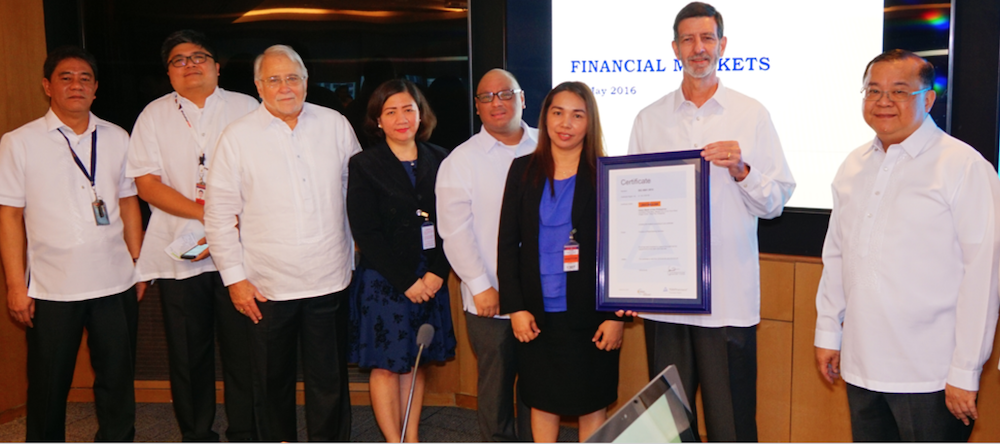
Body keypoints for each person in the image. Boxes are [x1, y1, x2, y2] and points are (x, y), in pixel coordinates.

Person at [626, 2, 796, 441]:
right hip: (665, 299)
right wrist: (628, 280)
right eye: (688, 39)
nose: (697, 48)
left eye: (707, 38)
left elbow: (775, 202)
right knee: (668, 424)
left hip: (727, 297)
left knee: (732, 424)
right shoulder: (649, 118)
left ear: (722, 44)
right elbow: (631, 208)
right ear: (674, 48)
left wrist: (743, 170)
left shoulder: (751, 114)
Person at [814, 49, 1000, 442]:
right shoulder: (852, 164)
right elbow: (837, 256)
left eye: (899, 91)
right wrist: (829, 332)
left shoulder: (963, 166)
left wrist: (966, 371)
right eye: (873, 90)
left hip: (930, 375)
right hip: (861, 365)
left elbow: (984, 275)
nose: (883, 102)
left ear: (928, 99)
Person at [204, 44, 361, 442]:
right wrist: (235, 280)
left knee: (329, 383)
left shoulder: (335, 124)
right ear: (259, 86)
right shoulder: (237, 137)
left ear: (306, 82)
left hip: (330, 277)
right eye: (274, 79)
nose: (285, 87)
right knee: (271, 385)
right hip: (266, 287)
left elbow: (356, 194)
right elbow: (219, 215)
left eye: (293, 77)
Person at [0, 46, 145, 441]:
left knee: (117, 379)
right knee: (49, 383)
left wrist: (139, 262)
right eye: (66, 77)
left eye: (85, 78)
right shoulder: (19, 142)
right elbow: (10, 216)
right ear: (48, 86)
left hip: (115, 281)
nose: (76, 85)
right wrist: (16, 285)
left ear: (96, 89)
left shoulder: (117, 137)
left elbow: (129, 201)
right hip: (51, 286)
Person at [127, 30, 259, 442]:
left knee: (245, 349)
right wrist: (209, 214)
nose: (190, 65)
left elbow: (262, 174)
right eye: (179, 60)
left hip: (239, 251)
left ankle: (245, 431)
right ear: (168, 73)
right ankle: (197, 433)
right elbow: (147, 185)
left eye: (199, 57)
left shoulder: (246, 107)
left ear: (217, 67)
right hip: (177, 251)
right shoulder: (153, 115)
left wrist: (227, 219)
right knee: (187, 353)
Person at [498, 81, 624, 443]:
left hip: (591, 314)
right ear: (545, 117)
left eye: (577, 115)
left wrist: (615, 316)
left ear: (590, 122)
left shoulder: (607, 174)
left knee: (592, 401)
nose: (565, 123)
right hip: (536, 313)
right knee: (541, 400)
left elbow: (622, 249)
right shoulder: (522, 170)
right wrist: (516, 308)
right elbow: (507, 244)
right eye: (557, 113)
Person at [346, 78, 457, 442]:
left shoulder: (441, 159)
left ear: (420, 113)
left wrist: (439, 273)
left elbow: (453, 223)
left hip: (432, 278)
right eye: (390, 111)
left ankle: (411, 437)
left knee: (416, 359)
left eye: (408, 109)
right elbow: (366, 232)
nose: (401, 118)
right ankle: (393, 440)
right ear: (378, 120)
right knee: (386, 365)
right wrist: (406, 282)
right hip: (386, 282)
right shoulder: (364, 164)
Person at [436, 68, 537, 442]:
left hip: (545, 295)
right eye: (486, 97)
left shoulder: (549, 146)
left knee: (540, 386)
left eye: (505, 93)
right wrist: (480, 287)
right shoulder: (460, 161)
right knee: (495, 389)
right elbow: (454, 232)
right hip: (490, 297)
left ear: (522, 99)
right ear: (477, 108)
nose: (497, 102)